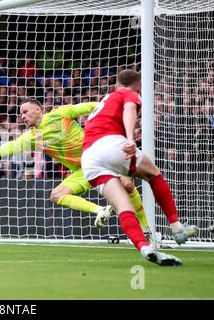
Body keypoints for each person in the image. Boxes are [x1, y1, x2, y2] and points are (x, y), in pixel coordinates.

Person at [0, 98, 149, 231]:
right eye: (20, 115)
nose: (22, 117)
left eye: (25, 112)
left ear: (38, 110)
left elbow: (92, 106)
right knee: (56, 195)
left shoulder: (61, 114)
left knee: (127, 184)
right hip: (85, 171)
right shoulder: (32, 137)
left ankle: (146, 229)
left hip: (102, 157)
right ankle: (99, 210)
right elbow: (3, 150)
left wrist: (118, 112)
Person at [81, 69, 197, 266]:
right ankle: (177, 229)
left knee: (123, 206)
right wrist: (129, 138)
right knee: (154, 175)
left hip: (89, 158)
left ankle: (144, 247)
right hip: (111, 144)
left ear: (116, 83)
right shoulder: (128, 93)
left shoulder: (107, 98)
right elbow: (129, 110)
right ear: (139, 86)